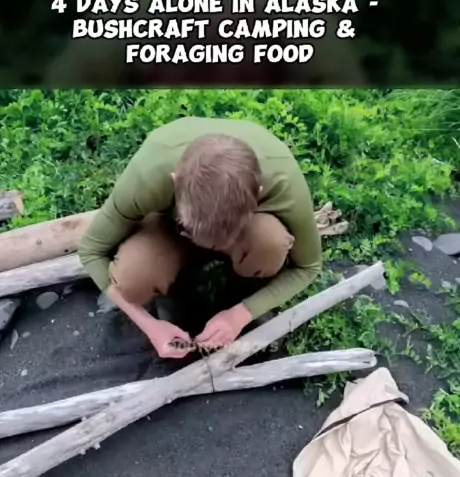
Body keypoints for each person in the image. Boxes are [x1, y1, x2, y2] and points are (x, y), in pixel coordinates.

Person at [78, 116, 322, 360]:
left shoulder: (283, 182)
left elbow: (308, 266)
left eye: (220, 240)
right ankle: (173, 285)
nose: (208, 247)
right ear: (175, 182)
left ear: (257, 194)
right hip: (166, 229)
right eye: (190, 230)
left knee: (269, 243)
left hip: (248, 231)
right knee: (134, 275)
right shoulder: (149, 175)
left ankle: (239, 288)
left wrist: (243, 313)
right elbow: (91, 250)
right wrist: (150, 326)